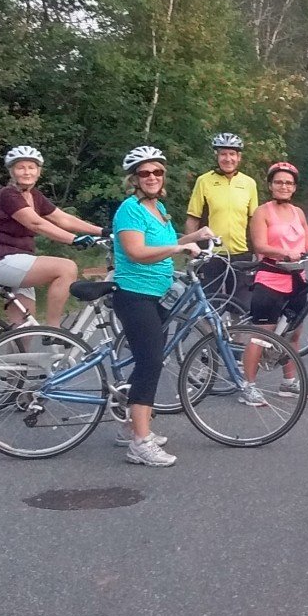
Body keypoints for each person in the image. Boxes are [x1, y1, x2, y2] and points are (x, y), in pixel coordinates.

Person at [113, 145, 215, 467]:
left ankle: (135, 426)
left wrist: (196, 235)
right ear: (134, 179)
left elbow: (166, 244)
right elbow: (136, 252)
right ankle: (140, 444)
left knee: (149, 359)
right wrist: (178, 249)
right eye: (145, 173)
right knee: (151, 361)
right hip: (135, 294)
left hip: (158, 293)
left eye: (158, 172)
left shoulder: (159, 208)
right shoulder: (130, 210)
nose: (153, 177)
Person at [239, 161, 308, 405]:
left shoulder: (298, 213)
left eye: (288, 183)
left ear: (294, 188)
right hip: (270, 278)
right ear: (270, 185)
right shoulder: (262, 212)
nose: (283, 186)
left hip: (296, 278)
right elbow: (259, 245)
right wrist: (282, 252)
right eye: (278, 182)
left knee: (293, 333)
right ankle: (248, 385)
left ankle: (288, 382)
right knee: (262, 335)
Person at [0, 145, 108, 327]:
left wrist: (102, 231)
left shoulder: (34, 196)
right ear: (12, 171)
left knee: (24, 330)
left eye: (31, 167)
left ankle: (0, 356)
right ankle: (53, 329)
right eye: (20, 167)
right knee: (67, 268)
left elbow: (63, 218)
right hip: (0, 260)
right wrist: (73, 239)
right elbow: (36, 223)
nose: (26, 172)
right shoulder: (8, 195)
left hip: (19, 262)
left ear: (39, 172)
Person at [186, 132, 258, 312]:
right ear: (217, 156)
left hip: (241, 254)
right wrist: (191, 248)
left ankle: (237, 340)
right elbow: (193, 218)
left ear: (239, 157)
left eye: (232, 154)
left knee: (241, 307)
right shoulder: (204, 181)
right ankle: (211, 340)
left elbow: (254, 220)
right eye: (223, 154)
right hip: (211, 253)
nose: (228, 158)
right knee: (211, 305)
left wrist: (259, 252)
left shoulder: (249, 183)